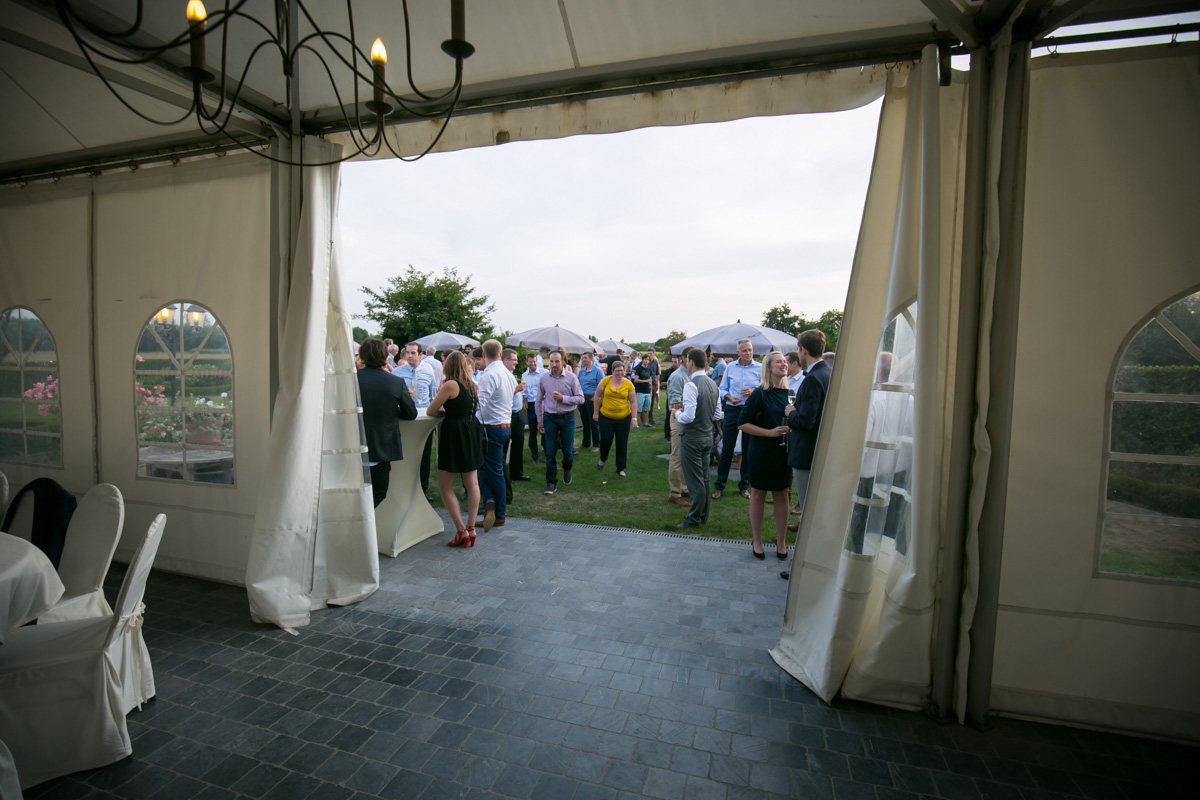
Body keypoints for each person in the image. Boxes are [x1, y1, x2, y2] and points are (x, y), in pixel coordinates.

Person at [780, 329, 832, 579]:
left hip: (806, 453)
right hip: (819, 450)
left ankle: (803, 568)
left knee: (809, 511)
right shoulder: (827, 372)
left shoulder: (812, 378)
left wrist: (791, 413)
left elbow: (806, 421)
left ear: (802, 350)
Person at [425, 351, 485, 548]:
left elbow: (431, 410)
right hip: (471, 431)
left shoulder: (451, 384)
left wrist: (445, 411)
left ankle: (461, 530)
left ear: (448, 366)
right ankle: (471, 527)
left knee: (445, 484)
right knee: (472, 483)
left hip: (455, 434)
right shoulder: (472, 386)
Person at [738, 352, 792, 560]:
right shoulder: (759, 394)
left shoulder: (791, 394)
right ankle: (757, 540)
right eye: (779, 362)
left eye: (785, 361)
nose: (784, 364)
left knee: (782, 494)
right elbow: (743, 424)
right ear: (768, 368)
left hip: (783, 452)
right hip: (761, 451)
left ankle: (781, 541)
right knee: (758, 494)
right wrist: (770, 433)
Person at [356, 338, 417, 508]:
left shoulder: (351, 380)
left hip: (352, 444)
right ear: (385, 358)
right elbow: (410, 413)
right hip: (381, 446)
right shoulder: (395, 382)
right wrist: (391, 410)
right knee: (378, 494)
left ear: (362, 357)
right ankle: (363, 522)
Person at [675, 348, 722, 529]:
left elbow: (688, 417)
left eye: (686, 361)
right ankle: (703, 515)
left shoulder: (691, 385)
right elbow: (717, 414)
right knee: (704, 478)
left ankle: (693, 519)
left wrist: (676, 413)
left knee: (695, 481)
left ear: (691, 362)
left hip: (692, 438)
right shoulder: (713, 385)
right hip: (707, 436)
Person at [475, 339, 518, 531]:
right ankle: (490, 502)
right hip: (504, 425)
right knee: (484, 468)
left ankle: (498, 513)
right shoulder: (508, 374)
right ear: (500, 354)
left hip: (491, 427)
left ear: (484, 355)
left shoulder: (489, 374)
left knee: (492, 470)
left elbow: (479, 404)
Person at [713, 338, 759, 500]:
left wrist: (753, 392)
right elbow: (722, 389)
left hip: (750, 411)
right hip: (733, 409)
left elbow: (765, 389)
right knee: (727, 449)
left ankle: (744, 486)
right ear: (738, 353)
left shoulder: (760, 368)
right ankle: (719, 486)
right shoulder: (730, 367)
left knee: (747, 449)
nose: (748, 353)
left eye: (750, 350)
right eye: (745, 350)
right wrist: (729, 397)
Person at [537, 350, 585, 494]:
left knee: (568, 452)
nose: (554, 364)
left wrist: (563, 398)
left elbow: (580, 398)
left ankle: (567, 467)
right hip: (550, 418)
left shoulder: (571, 377)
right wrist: (540, 420)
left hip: (567, 418)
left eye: (557, 361)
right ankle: (551, 482)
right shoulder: (544, 378)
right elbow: (539, 400)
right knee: (550, 452)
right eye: (551, 361)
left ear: (563, 362)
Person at [393, 342, 436, 497]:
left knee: (424, 454)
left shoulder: (428, 373)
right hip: (405, 417)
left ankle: (422, 489)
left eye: (413, 353)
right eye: (407, 353)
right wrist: (403, 396)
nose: (409, 356)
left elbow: (433, 396)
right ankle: (403, 488)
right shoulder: (397, 372)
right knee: (406, 453)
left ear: (420, 355)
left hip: (424, 417)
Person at [593, 360, 638, 477]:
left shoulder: (628, 384)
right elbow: (597, 396)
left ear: (624, 372)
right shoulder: (605, 381)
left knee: (621, 443)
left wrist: (634, 419)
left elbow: (633, 402)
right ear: (612, 371)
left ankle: (620, 468)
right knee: (605, 441)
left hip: (623, 418)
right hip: (606, 417)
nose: (619, 373)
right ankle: (603, 458)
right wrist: (596, 413)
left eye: (622, 370)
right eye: (617, 370)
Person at [665, 348, 692, 506]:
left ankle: (683, 488)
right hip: (678, 418)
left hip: (687, 418)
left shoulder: (689, 375)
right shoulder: (677, 376)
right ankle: (675, 493)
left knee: (685, 456)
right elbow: (674, 403)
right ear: (684, 359)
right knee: (676, 456)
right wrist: (694, 401)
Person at [503, 349, 530, 503]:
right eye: (513, 359)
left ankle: (516, 473)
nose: (516, 362)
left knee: (519, 443)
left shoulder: (511, 375)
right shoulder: (502, 375)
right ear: (505, 360)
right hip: (507, 416)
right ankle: (505, 476)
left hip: (518, 414)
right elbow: (503, 394)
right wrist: (517, 390)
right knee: (504, 446)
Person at [521, 353, 548, 465]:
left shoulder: (544, 373)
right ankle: (534, 456)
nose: (532, 363)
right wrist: (524, 399)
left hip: (543, 403)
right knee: (532, 431)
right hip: (531, 405)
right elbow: (525, 389)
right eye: (530, 362)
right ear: (526, 362)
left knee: (544, 430)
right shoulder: (524, 375)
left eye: (534, 361)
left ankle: (546, 453)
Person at [576, 352, 604, 452]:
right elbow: (578, 384)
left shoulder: (598, 371)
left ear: (591, 359)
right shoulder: (582, 371)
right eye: (582, 358)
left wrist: (596, 397)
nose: (583, 360)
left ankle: (596, 444)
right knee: (585, 422)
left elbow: (603, 385)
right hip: (582, 399)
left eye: (585, 358)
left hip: (592, 399)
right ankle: (586, 443)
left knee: (594, 422)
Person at [660, 354, 681, 440]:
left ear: (679, 362)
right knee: (669, 415)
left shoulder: (682, 372)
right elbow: (662, 383)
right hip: (671, 397)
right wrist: (672, 382)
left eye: (675, 362)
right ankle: (667, 435)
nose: (673, 364)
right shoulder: (668, 372)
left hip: (680, 397)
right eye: (672, 362)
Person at [632, 354, 654, 427]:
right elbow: (636, 380)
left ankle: (645, 423)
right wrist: (646, 381)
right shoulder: (638, 368)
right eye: (645, 359)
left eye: (648, 360)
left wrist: (651, 391)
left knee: (646, 409)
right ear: (642, 360)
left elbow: (650, 381)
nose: (646, 361)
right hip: (640, 391)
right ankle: (635, 424)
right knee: (638, 409)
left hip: (647, 391)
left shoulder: (649, 370)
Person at [646, 348, 661, 424]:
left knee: (651, 402)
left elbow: (657, 374)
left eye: (651, 353)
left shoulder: (655, 362)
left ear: (654, 354)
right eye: (648, 353)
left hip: (654, 384)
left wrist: (657, 383)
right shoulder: (645, 362)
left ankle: (650, 418)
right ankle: (643, 418)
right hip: (645, 384)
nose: (649, 354)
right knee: (645, 401)